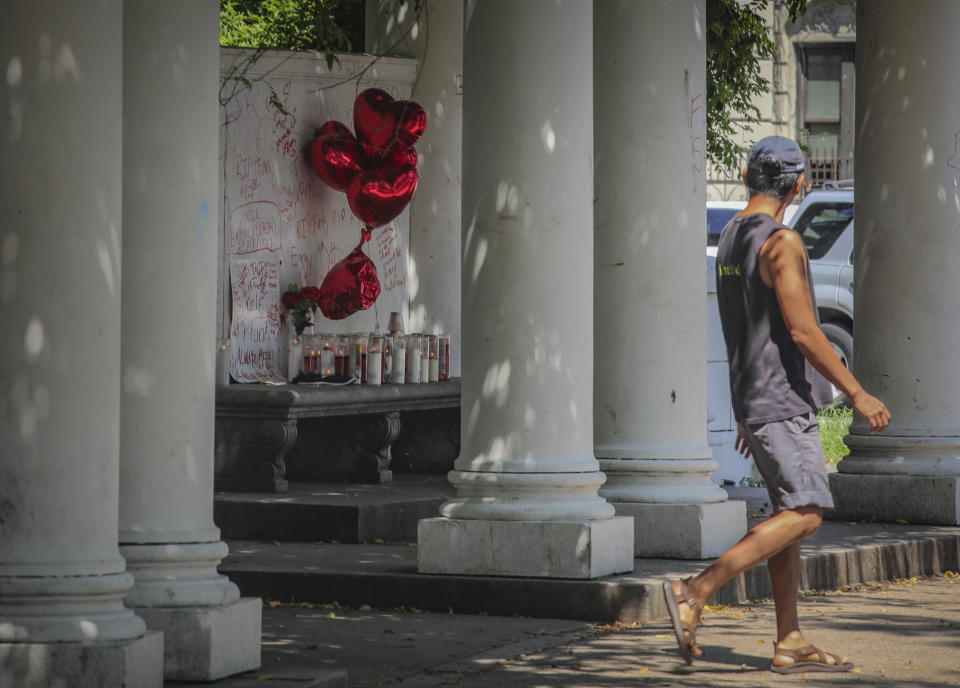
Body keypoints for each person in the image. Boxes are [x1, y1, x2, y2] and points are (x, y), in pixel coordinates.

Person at [663, 136, 891, 674]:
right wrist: (857, 392)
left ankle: (789, 638)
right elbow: (805, 331)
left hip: (756, 397)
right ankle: (696, 590)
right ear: (799, 185)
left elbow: (739, 327)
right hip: (780, 399)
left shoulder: (734, 235)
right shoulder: (781, 241)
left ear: (746, 176)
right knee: (808, 513)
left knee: (788, 513)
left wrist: (747, 408)